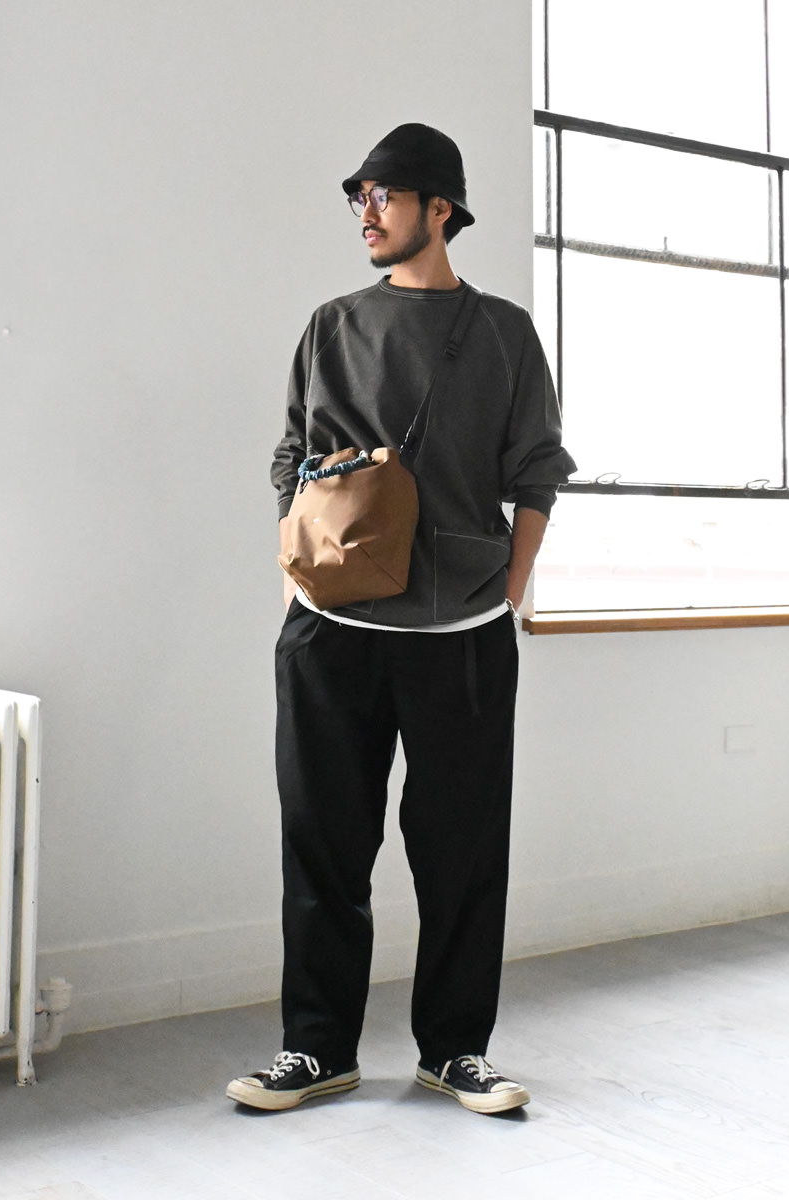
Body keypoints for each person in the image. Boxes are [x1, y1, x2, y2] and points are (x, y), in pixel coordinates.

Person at [226, 123, 575, 1116]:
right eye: (360, 197)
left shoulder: (504, 332)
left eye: (384, 195)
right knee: (322, 848)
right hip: (329, 631)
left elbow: (537, 470)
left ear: (440, 208)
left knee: (462, 855)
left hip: (461, 636)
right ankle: (316, 1050)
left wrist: (509, 589)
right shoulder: (332, 324)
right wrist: (303, 566)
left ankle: (456, 1051)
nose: (366, 213)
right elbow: (290, 456)